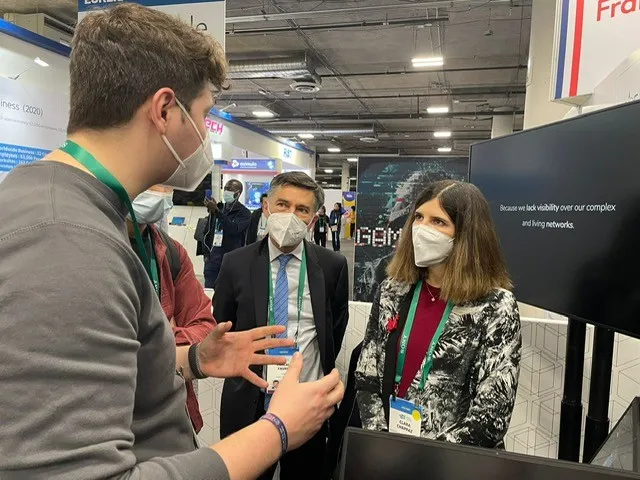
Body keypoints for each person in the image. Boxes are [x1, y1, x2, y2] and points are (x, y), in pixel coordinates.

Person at [0, 5, 344, 479]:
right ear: (164, 110)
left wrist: (194, 359)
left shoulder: (74, 212)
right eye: (203, 115)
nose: (205, 136)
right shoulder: (66, 242)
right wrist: (278, 430)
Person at [355, 180, 521, 448]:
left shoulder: (496, 306)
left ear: (467, 234)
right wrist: (382, 441)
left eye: (438, 222)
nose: (422, 228)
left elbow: (492, 416)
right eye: (419, 217)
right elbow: (367, 376)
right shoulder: (392, 290)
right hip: (388, 450)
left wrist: (427, 458)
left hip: (453, 460)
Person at [213, 172, 350, 480]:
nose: (291, 215)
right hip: (249, 402)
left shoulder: (332, 266)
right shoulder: (236, 263)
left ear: (312, 219)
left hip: (307, 404)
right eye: (282, 204)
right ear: (266, 207)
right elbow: (223, 324)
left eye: (302, 209)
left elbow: (334, 330)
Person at [129, 184, 215, 433]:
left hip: (169, 413)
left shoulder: (170, 251)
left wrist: (152, 338)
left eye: (165, 182)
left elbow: (205, 327)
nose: (159, 190)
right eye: (150, 182)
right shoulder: (89, 249)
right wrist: (167, 334)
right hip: (112, 417)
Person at [198, 179, 251, 288]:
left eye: (230, 189)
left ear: (238, 193)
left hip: (231, 262)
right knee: (209, 292)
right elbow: (207, 232)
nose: (226, 191)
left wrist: (217, 212)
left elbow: (234, 229)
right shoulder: (219, 208)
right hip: (212, 261)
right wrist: (206, 255)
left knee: (227, 294)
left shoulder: (244, 213)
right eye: (225, 188)